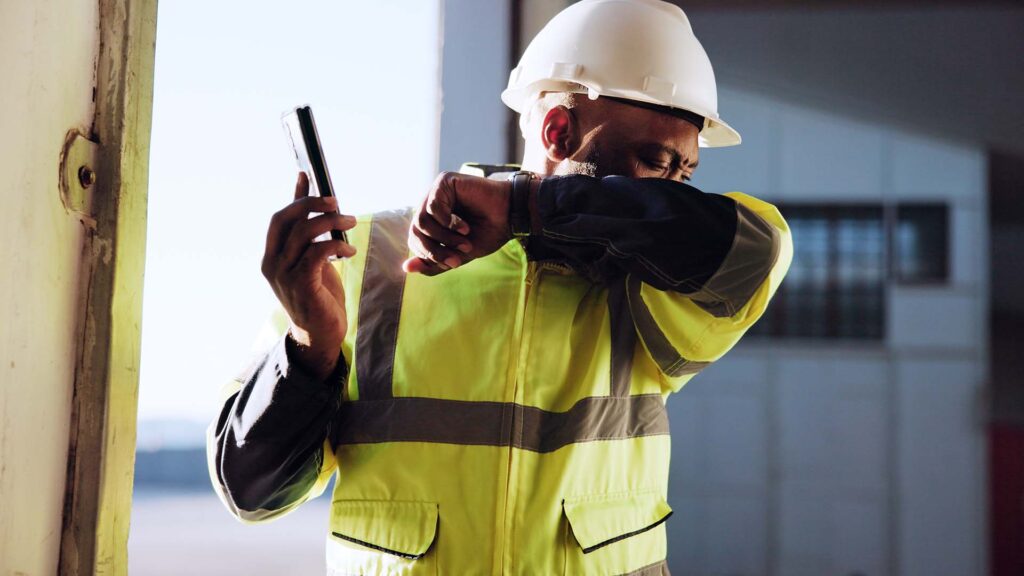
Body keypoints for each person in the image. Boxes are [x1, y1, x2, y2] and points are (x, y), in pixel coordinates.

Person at [207, 0, 792, 574]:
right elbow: (251, 493)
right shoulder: (365, 263)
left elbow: (759, 249)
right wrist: (310, 350)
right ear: (559, 131)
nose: (671, 195)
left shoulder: (653, 280)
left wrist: (526, 207)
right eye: (657, 162)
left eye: (684, 174)